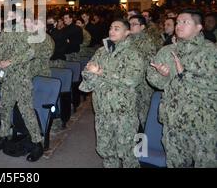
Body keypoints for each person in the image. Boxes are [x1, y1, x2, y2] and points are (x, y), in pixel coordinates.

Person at [147, 9, 217, 167]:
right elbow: (154, 80)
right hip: (173, 122)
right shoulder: (167, 51)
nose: (179, 25)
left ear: (199, 27)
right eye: (178, 22)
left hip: (203, 123)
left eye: (185, 22)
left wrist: (184, 74)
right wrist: (161, 75)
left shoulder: (210, 51)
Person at [80, 19, 144, 168]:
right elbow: (87, 73)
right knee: (106, 151)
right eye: (110, 28)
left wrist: (101, 72)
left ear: (127, 32)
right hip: (102, 110)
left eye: (117, 28)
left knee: (128, 152)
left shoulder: (134, 54)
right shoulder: (102, 51)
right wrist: (91, 73)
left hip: (123, 112)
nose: (111, 31)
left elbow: (132, 79)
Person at [0, 10, 44, 162]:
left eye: (11, 15)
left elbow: (31, 52)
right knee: (4, 108)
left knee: (26, 111)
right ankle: (4, 136)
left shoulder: (29, 33)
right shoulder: (5, 32)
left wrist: (11, 61)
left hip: (22, 80)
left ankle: (37, 143)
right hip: (7, 79)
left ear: (19, 17)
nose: (8, 18)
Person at [128, 15, 157, 129]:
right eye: (130, 24)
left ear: (142, 27)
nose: (131, 26)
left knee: (143, 113)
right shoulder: (128, 39)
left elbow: (149, 63)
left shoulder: (147, 41)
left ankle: (145, 140)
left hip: (143, 83)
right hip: (131, 82)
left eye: (134, 24)